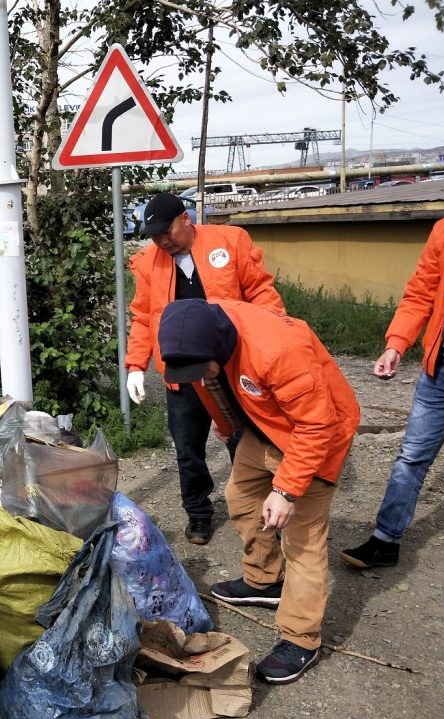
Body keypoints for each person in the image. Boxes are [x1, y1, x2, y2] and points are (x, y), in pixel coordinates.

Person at [158, 298, 359, 684]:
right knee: (242, 496)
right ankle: (264, 581)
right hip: (266, 425)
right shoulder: (197, 329)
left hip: (318, 435)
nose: (197, 375)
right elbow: (212, 384)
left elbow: (318, 426)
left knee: (302, 540)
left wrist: (285, 490)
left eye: (201, 367)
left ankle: (301, 638)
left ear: (219, 345)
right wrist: (228, 422)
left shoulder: (278, 351)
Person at [126, 191, 286, 545]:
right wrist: (136, 365)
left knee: (246, 440)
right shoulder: (150, 262)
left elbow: (260, 292)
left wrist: (275, 338)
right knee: (188, 447)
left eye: (166, 232)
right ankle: (198, 513)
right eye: (154, 236)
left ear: (187, 219)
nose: (161, 241)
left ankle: (259, 508)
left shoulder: (230, 242)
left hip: (232, 365)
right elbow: (142, 316)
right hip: (182, 372)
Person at [342, 217, 444, 569]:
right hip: (441, 371)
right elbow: (421, 292)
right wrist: (397, 345)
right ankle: (385, 541)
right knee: (411, 457)